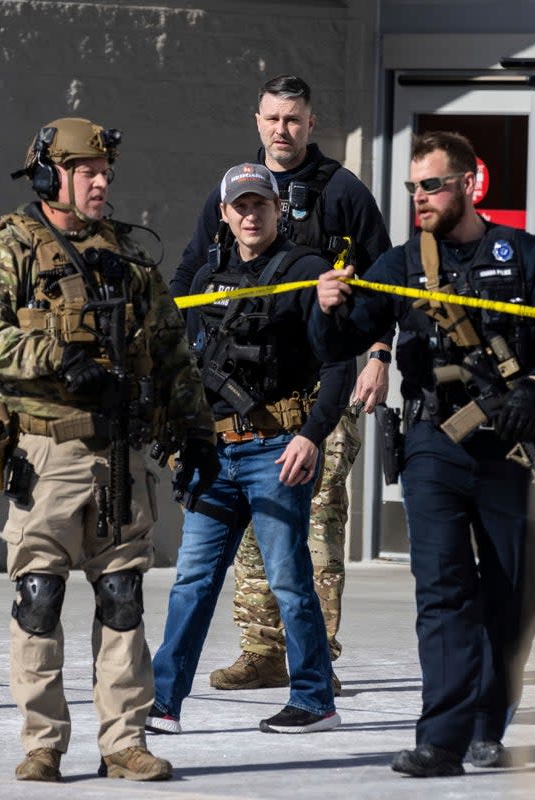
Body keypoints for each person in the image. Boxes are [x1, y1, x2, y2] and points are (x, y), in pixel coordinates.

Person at [314, 131, 535, 776]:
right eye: (413, 187)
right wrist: (328, 308)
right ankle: (440, 738)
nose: (420, 198)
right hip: (434, 445)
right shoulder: (406, 264)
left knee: (511, 595)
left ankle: (489, 722)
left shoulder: (521, 254)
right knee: (442, 592)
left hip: (507, 449)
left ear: (469, 183)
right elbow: (346, 336)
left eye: (432, 185)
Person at [0, 117, 217, 782]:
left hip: (120, 456)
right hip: (45, 455)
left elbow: (171, 353)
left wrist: (195, 435)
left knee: (123, 597)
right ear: (50, 176)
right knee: (39, 595)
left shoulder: (129, 260)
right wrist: (58, 360)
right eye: (86, 171)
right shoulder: (6, 253)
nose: (101, 182)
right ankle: (43, 742)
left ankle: (124, 741)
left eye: (106, 172)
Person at [172, 74, 392, 694]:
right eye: (272, 118)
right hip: (243, 396)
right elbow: (188, 278)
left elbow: (383, 282)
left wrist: (378, 354)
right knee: (251, 527)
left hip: (322, 382)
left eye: (293, 119)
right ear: (257, 120)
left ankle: (314, 655)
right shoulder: (233, 193)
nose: (282, 130)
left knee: (315, 522)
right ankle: (264, 651)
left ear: (311, 123)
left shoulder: (343, 191)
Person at [146, 162, 345, 735]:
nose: (250, 214)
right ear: (225, 214)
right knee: (192, 580)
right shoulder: (206, 275)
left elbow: (337, 363)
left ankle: (313, 700)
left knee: (287, 577)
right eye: (240, 205)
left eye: (261, 204)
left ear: (278, 209)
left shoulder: (306, 272)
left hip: (276, 449)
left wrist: (311, 435)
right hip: (213, 451)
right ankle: (164, 703)